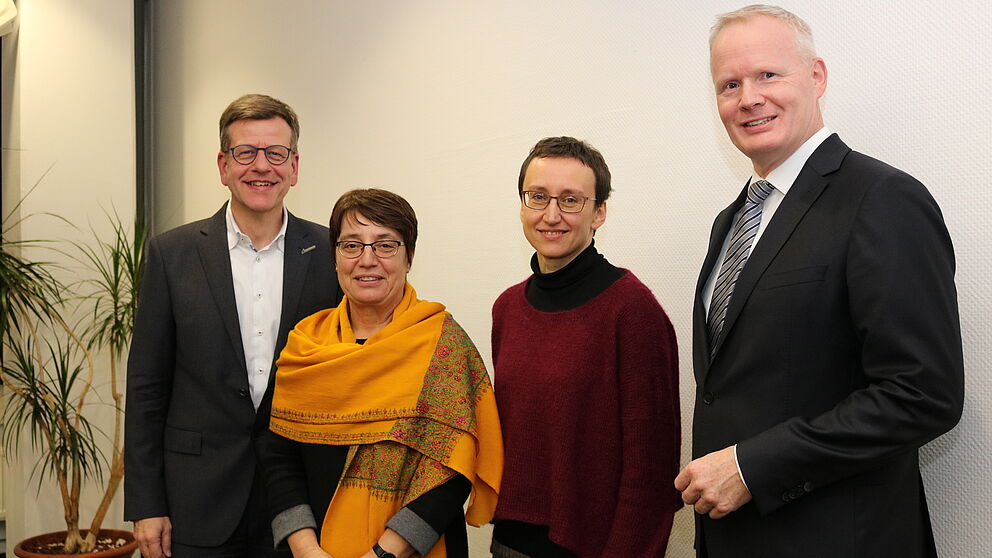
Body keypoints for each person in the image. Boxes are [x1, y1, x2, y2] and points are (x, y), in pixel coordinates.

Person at [675, 5, 965, 557]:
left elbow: (923, 394)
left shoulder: (881, 199)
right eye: (729, 84)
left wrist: (751, 466)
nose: (748, 98)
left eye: (768, 75)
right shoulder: (731, 221)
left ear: (817, 77)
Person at [124, 93, 340, 558]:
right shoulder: (171, 254)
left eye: (275, 154)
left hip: (305, 502)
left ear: (294, 167)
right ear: (223, 166)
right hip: (196, 502)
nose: (261, 166)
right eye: (246, 153)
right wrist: (146, 503)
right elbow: (146, 385)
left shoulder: (331, 253)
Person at [256, 188, 503, 558]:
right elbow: (278, 456)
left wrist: (384, 555)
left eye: (385, 245)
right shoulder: (304, 346)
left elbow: (453, 467)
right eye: (351, 245)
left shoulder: (443, 346)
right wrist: (306, 548)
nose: (367, 260)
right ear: (335, 258)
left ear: (409, 257)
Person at [490, 137, 682, 557]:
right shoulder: (507, 308)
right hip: (508, 543)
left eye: (571, 200)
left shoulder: (633, 311)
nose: (551, 215)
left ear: (599, 213)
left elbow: (650, 471)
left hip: (592, 548)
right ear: (522, 205)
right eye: (538, 197)